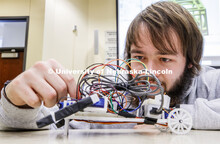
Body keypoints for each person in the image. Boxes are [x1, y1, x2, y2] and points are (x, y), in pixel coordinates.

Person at [0, 1, 220, 130]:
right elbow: (44, 123)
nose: (149, 72)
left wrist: (161, 116)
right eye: (139, 58)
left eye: (165, 59)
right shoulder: (115, 92)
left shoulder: (213, 82)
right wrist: (17, 104)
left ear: (191, 62)